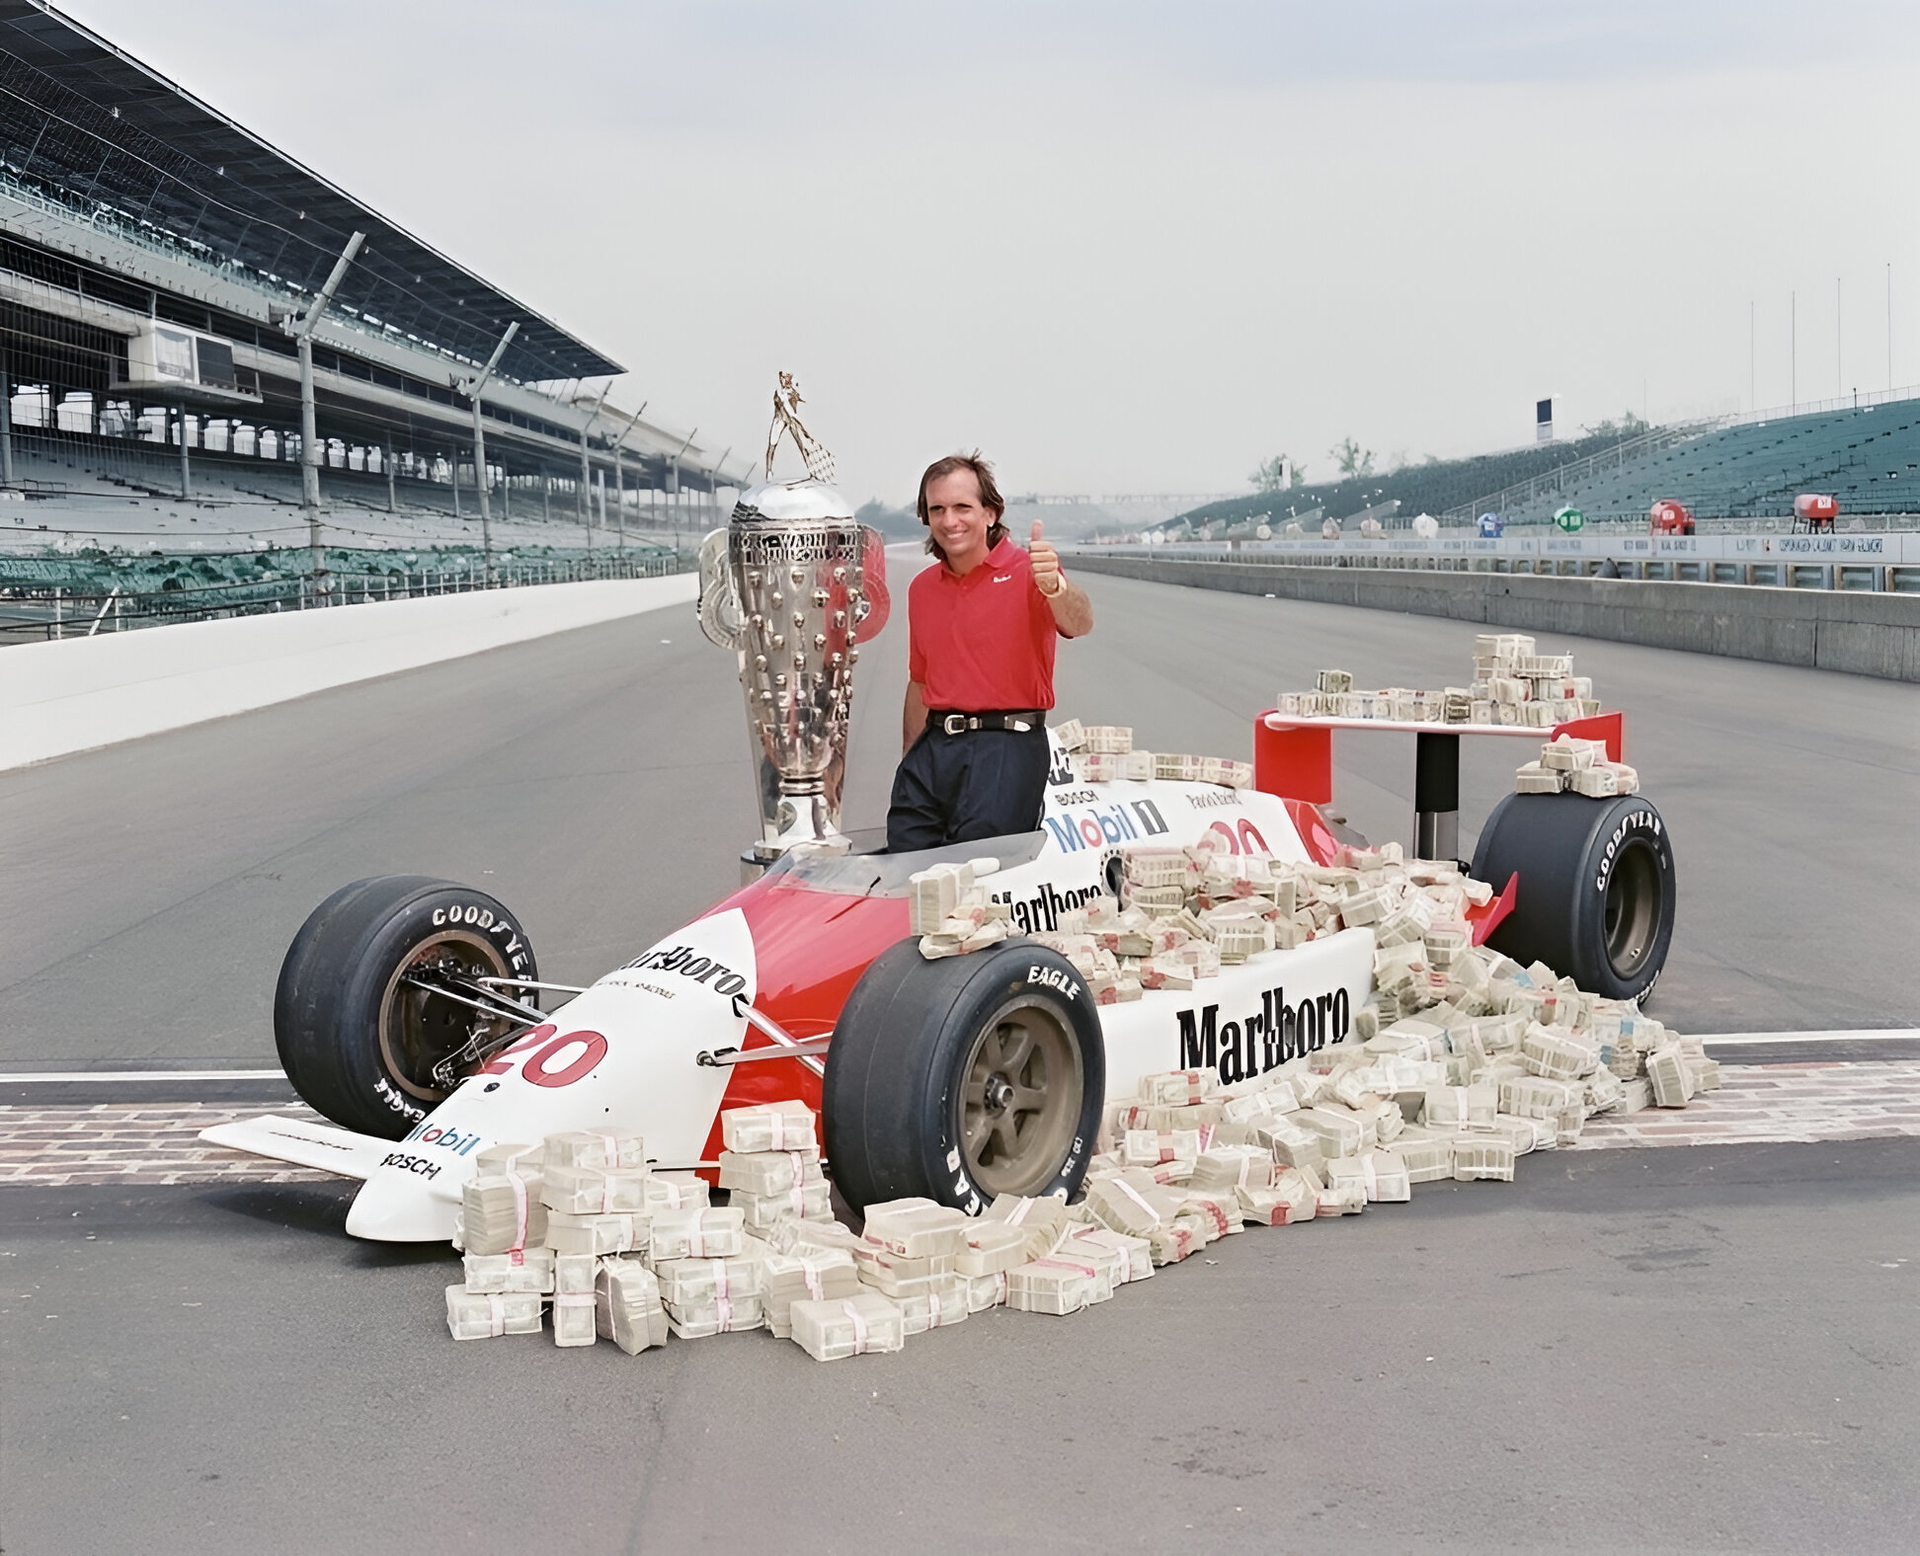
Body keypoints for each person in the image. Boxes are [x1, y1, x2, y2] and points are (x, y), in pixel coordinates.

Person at [886, 452, 1093, 852]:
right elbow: (921, 682)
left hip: (1006, 746)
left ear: (991, 513)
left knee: (978, 874)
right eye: (938, 509)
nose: (950, 521)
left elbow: (1080, 623)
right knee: (906, 865)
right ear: (926, 517)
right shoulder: (922, 589)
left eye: (963, 507)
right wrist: (909, 761)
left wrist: (1056, 587)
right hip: (934, 748)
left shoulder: (1029, 572)